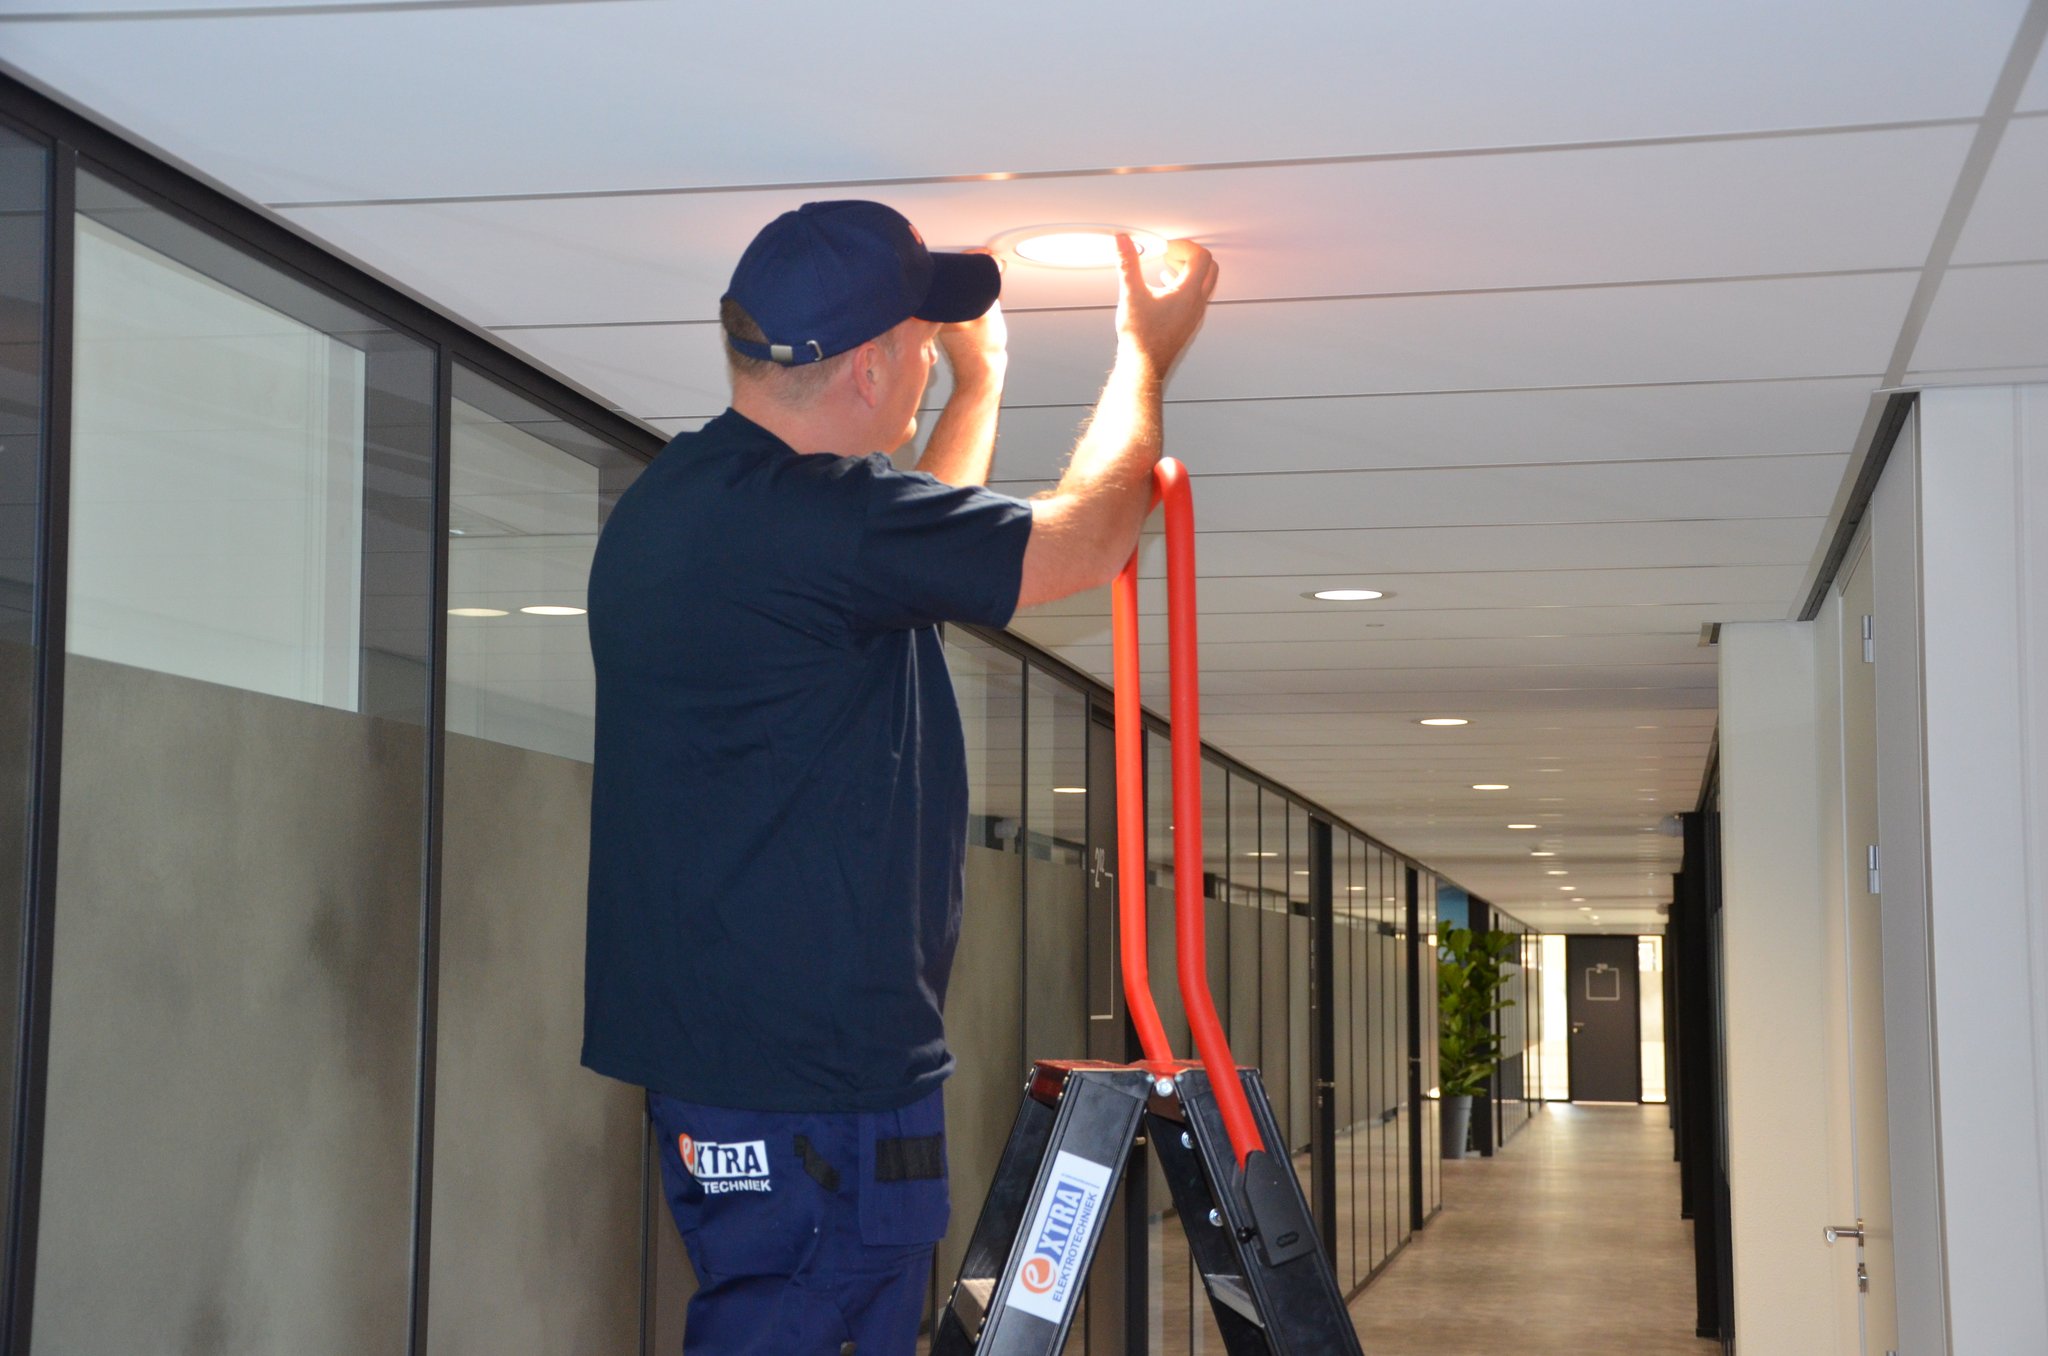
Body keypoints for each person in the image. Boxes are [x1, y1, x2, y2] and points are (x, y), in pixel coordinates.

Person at [582, 199, 1217, 1355]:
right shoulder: (821, 523)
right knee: (810, 1320)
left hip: (729, 1059)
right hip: (819, 1071)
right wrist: (1145, 355)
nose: (930, 356)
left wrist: (975, 385)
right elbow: (1088, 541)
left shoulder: (680, 502)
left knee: (777, 1310)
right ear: (869, 365)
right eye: (923, 341)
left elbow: (900, 560)